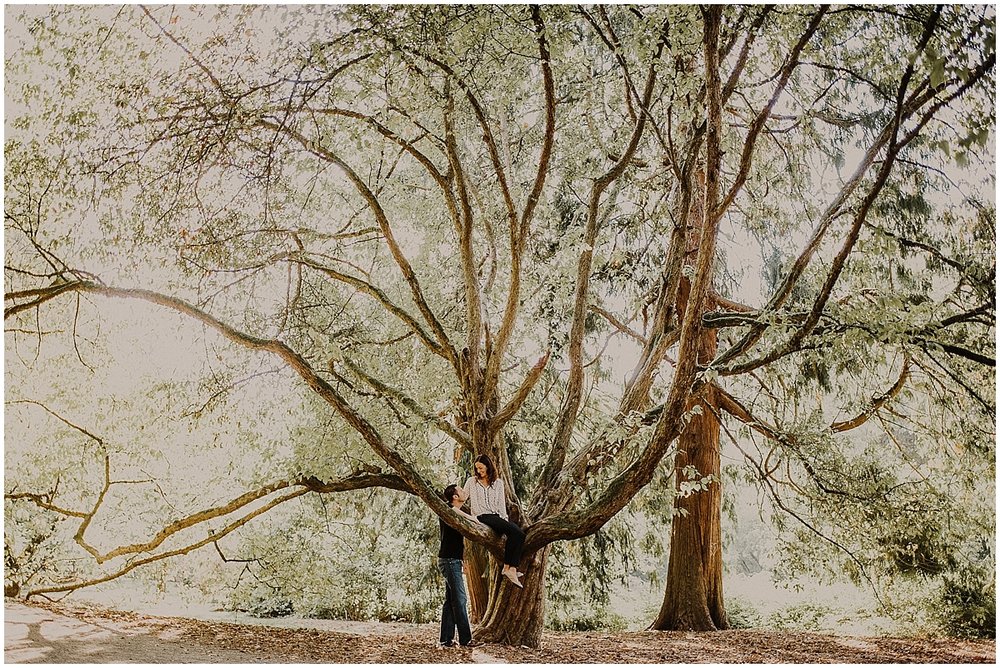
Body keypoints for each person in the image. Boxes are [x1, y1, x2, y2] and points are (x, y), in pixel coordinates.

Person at [462, 454, 525, 588]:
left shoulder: (498, 483)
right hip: (482, 517)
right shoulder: (471, 481)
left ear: (488, 466)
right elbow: (462, 498)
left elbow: (502, 505)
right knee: (516, 533)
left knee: (518, 533)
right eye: (477, 469)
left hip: (496, 517)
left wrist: (505, 523)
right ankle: (511, 569)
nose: (479, 471)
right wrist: (453, 505)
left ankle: (508, 567)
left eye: (481, 468)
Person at [438, 484, 479, 648]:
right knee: (460, 599)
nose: (464, 491)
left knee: (451, 601)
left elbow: (459, 543)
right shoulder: (448, 510)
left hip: (453, 560)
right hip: (448, 560)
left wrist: (464, 561)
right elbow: (454, 511)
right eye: (461, 490)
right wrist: (474, 518)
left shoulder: (456, 513)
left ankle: (446, 639)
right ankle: (466, 640)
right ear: (455, 497)